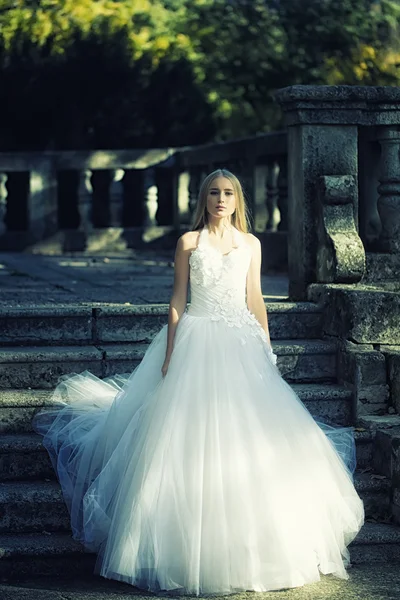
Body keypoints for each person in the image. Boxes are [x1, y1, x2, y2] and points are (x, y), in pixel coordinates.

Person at [33, 169, 364, 596]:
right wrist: (172, 350)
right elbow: (177, 300)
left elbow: (255, 297)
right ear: (203, 199)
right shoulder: (189, 243)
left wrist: (266, 346)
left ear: (238, 199)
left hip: (241, 340)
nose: (221, 199)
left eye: (228, 193)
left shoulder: (250, 244)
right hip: (197, 336)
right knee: (183, 436)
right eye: (213, 192)